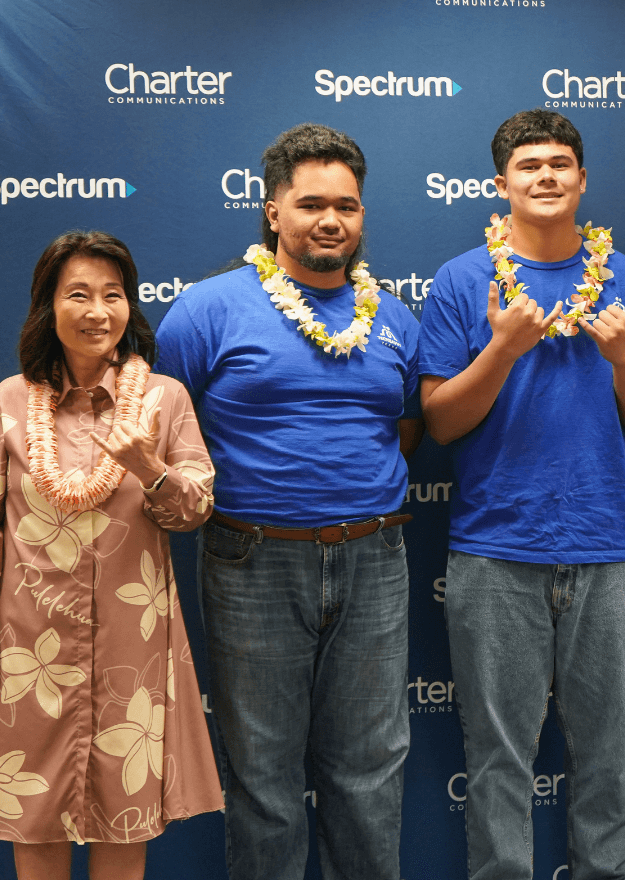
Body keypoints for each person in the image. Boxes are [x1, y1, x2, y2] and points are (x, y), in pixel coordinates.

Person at [154, 123, 422, 880]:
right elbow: (168, 429)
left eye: (346, 205)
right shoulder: (205, 311)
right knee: (264, 775)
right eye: (311, 205)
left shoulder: (393, 317)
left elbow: (406, 428)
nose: (330, 220)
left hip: (375, 560)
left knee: (370, 770)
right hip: (253, 561)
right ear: (273, 211)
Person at [417, 109, 625, 880]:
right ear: (502, 184)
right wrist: (502, 347)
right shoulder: (464, 280)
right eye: (529, 166)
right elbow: (440, 422)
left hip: (608, 550)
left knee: (608, 755)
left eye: (560, 163)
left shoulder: (624, 278)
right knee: (498, 758)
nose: (546, 176)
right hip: (497, 550)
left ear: (582, 179)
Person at [0, 231, 222, 880]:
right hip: (29, 648)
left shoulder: (162, 400)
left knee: (125, 816)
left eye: (113, 295)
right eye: (79, 294)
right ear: (48, 306)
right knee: (33, 817)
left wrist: (149, 468)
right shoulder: (9, 402)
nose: (98, 311)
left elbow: (195, 511)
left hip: (134, 642)